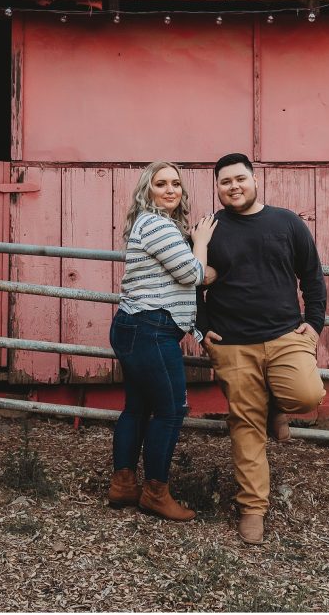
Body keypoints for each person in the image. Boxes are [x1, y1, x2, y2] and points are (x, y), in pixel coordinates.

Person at [198, 152, 327, 545]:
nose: (234, 187)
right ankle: (253, 509)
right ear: (217, 188)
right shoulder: (208, 228)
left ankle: (276, 406)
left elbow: (312, 275)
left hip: (286, 336)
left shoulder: (287, 222)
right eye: (225, 182)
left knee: (308, 395)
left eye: (240, 179)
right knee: (245, 426)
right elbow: (187, 282)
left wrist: (315, 324)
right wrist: (202, 328)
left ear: (255, 180)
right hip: (233, 343)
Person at [108, 161, 218, 521]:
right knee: (171, 411)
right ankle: (156, 492)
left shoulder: (156, 225)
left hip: (136, 327)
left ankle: (123, 485)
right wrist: (202, 247)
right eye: (161, 184)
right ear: (147, 190)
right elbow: (192, 273)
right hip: (150, 330)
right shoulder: (156, 223)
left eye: (175, 184)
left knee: (137, 408)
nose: (170, 190)